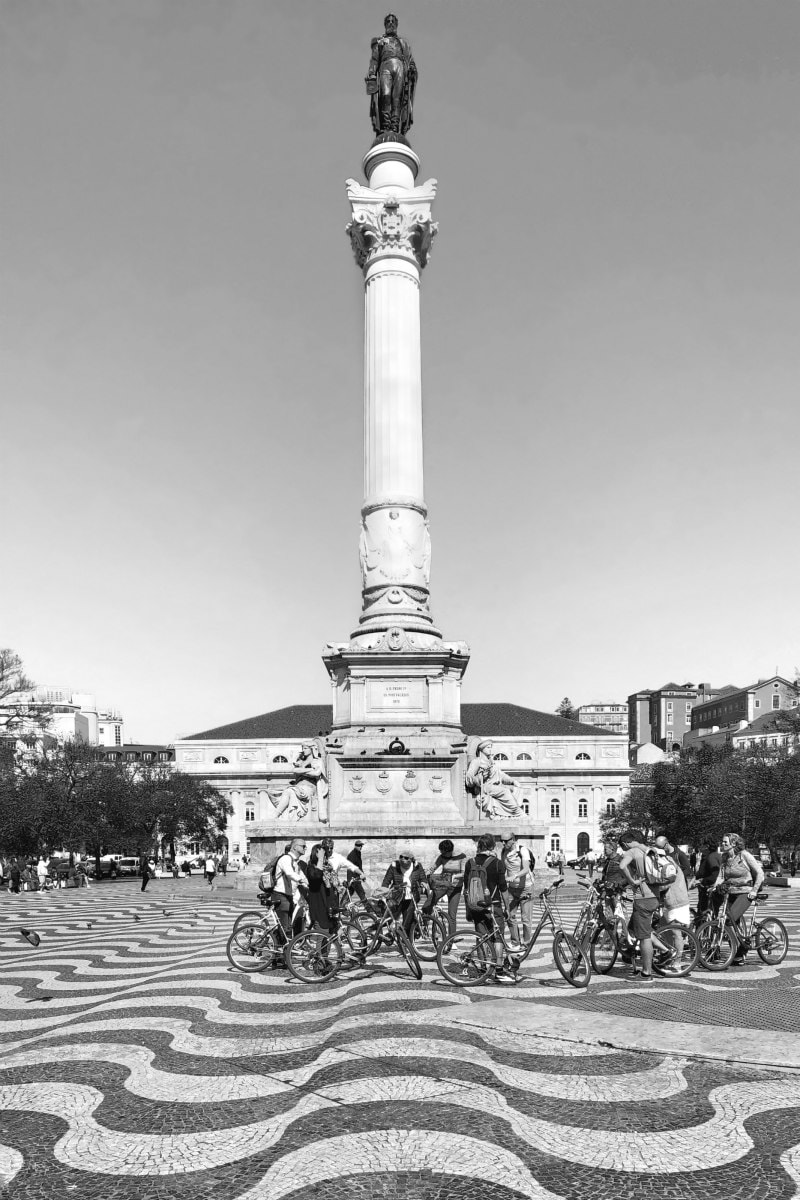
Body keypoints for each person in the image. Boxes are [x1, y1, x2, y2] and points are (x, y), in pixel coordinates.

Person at [463, 834, 515, 984]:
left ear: (479, 846)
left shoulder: (470, 863)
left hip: (476, 905)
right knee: (497, 937)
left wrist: (468, 909)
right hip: (493, 905)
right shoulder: (498, 863)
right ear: (493, 846)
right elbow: (503, 888)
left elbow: (466, 889)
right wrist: (507, 908)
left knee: (481, 936)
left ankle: (482, 969)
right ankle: (498, 971)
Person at [618, 829, 665, 982]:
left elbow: (622, 866)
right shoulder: (650, 849)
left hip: (643, 897)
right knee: (635, 929)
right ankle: (629, 952)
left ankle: (646, 973)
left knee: (644, 937)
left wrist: (632, 882)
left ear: (626, 843)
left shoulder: (632, 851)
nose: (623, 850)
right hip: (655, 896)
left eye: (623, 847)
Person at [714, 833, 765, 963]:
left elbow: (760, 873)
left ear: (734, 843)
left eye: (726, 842)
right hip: (730, 892)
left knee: (730, 918)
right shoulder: (725, 857)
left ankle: (742, 949)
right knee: (728, 920)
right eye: (722, 842)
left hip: (745, 892)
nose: (723, 844)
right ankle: (737, 950)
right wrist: (715, 886)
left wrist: (754, 890)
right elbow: (721, 875)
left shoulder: (744, 855)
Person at [365, 13, 417, 138]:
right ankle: (385, 126)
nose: (391, 23)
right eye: (388, 21)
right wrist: (372, 73)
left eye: (393, 21)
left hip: (400, 67)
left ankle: (394, 127)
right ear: (385, 25)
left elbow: (410, 60)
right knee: (386, 96)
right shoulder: (380, 42)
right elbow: (374, 60)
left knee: (397, 98)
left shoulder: (403, 43)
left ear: (396, 24)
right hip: (385, 66)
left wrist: (412, 68)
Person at [465, 740, 523, 819]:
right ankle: (518, 813)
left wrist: (513, 781)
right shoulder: (477, 761)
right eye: (488, 747)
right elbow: (469, 777)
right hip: (483, 787)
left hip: (494, 787)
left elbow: (502, 775)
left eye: (491, 748)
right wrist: (480, 777)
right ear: (482, 749)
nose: (490, 749)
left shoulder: (492, 763)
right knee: (504, 791)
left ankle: (509, 813)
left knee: (515, 789)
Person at [424, 839, 466, 937]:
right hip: (443, 885)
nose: (442, 854)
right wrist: (426, 873)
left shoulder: (461, 857)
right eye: (441, 852)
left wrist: (455, 876)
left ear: (450, 851)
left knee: (452, 915)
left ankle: (451, 938)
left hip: (456, 887)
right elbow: (433, 868)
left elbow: (464, 872)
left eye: (444, 853)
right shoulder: (442, 856)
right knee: (428, 904)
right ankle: (423, 925)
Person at [381, 848, 428, 934]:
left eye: (406, 858)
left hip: (412, 896)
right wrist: (384, 890)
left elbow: (423, 878)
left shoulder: (417, 866)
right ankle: (373, 930)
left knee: (408, 920)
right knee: (389, 918)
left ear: (412, 860)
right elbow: (386, 880)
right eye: (401, 857)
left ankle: (404, 940)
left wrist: (423, 884)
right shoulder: (394, 866)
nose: (403, 859)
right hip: (397, 896)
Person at [500, 834, 535, 947]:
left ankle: (526, 943)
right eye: (502, 841)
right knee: (510, 916)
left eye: (506, 841)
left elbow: (526, 869)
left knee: (525, 919)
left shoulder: (522, 850)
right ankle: (515, 942)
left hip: (526, 888)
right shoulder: (503, 852)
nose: (503, 843)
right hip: (512, 889)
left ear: (513, 840)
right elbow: (503, 869)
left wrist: (514, 876)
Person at [694, 840, 722, 926]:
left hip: (708, 890)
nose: (700, 849)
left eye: (701, 846)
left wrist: (702, 881)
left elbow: (714, 874)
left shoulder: (711, 857)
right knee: (712, 912)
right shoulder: (715, 856)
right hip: (713, 889)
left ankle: (704, 935)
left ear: (707, 846)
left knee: (704, 913)